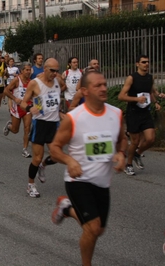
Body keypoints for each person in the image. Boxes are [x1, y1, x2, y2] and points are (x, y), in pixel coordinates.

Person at [50, 70, 127, 266]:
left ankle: (67, 208)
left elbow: (122, 140)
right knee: (92, 228)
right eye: (97, 85)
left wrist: (121, 154)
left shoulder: (116, 114)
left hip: (102, 182)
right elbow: (54, 148)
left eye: (104, 84)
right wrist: (70, 161)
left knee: (98, 229)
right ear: (84, 91)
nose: (103, 88)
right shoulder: (74, 118)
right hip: (78, 180)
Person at [21, 58, 65, 197]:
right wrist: (30, 107)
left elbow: (63, 89)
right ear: (45, 69)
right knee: (37, 158)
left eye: (57, 71)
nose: (55, 73)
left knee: (57, 156)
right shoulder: (35, 83)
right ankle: (31, 184)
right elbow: (23, 102)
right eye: (52, 70)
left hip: (54, 124)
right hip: (40, 123)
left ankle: (43, 166)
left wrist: (59, 112)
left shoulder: (58, 81)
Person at [118, 55, 161, 176]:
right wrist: (136, 99)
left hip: (145, 112)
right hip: (133, 113)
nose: (146, 64)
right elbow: (121, 96)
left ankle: (137, 153)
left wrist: (156, 102)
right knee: (135, 141)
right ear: (137, 64)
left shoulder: (150, 78)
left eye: (147, 62)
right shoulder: (131, 78)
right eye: (143, 62)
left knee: (151, 138)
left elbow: (150, 93)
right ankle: (129, 164)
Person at [3, 62, 32, 158]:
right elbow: (6, 90)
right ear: (22, 71)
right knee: (15, 130)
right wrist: (14, 99)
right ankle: (9, 126)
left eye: (29, 70)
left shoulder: (31, 82)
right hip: (17, 107)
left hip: (27, 107)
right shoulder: (16, 80)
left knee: (27, 128)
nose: (28, 72)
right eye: (26, 70)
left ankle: (25, 149)